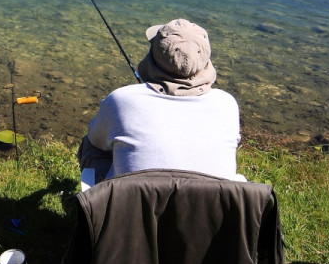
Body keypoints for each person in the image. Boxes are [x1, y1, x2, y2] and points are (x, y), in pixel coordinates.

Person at [79, 18, 246, 183]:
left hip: (130, 200)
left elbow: (96, 140)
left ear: (152, 57)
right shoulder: (227, 104)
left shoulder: (121, 99)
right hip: (211, 200)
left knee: (92, 145)